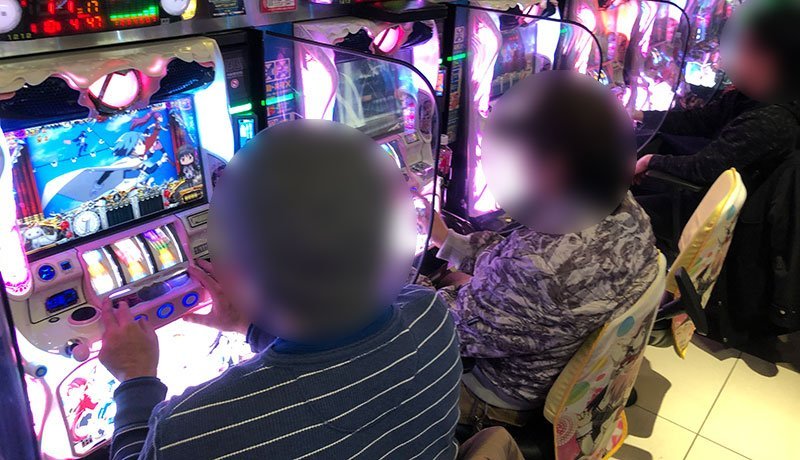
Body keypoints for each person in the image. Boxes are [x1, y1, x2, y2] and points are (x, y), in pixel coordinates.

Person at [98, 120, 462, 459]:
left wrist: (135, 379)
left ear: (239, 270)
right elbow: (338, 374)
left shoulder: (192, 427)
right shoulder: (430, 313)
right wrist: (252, 327)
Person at [428, 72, 659, 433]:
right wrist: (448, 241)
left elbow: (442, 333)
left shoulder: (538, 266)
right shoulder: (623, 210)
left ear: (554, 167)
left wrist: (396, 281)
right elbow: (515, 261)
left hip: (501, 393)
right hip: (562, 357)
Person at [633, 0, 800, 247]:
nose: (727, 58)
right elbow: (700, 120)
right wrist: (638, 114)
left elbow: (702, 168)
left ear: (769, 58)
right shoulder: (755, 96)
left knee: (615, 210)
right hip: (710, 194)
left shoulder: (772, 120)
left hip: (719, 222)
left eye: (742, 48)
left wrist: (650, 161)